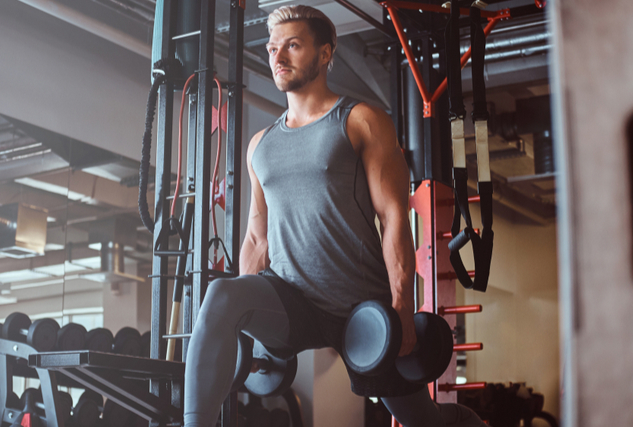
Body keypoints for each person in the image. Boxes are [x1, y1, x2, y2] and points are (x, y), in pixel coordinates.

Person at [183, 5, 486, 427]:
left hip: (361, 306)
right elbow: (257, 238)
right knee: (223, 295)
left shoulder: (361, 121)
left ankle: (467, 423)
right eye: (272, 48)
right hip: (292, 300)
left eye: (292, 46)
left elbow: (394, 216)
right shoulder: (260, 145)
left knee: (423, 421)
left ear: (325, 54)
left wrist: (401, 305)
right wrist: (246, 333)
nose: (278, 57)